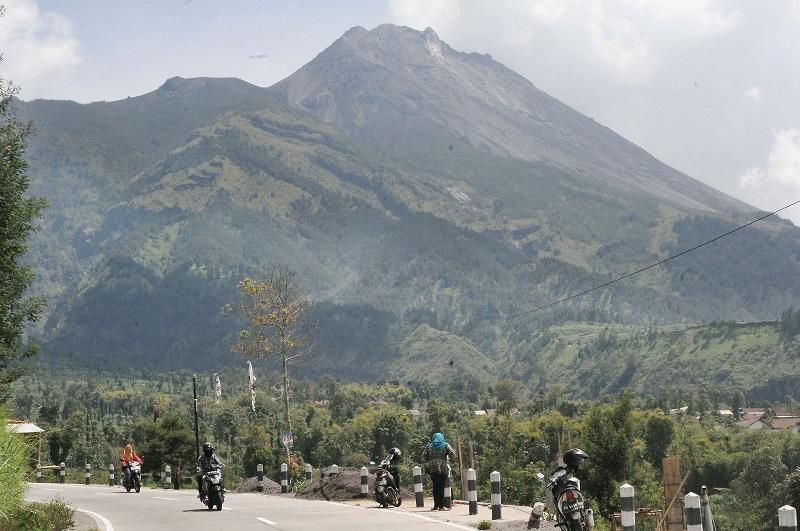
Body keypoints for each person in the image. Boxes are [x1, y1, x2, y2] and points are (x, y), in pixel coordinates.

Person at [421, 432, 456, 511]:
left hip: (432, 469)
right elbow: (452, 453)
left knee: (435, 487)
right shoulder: (445, 444)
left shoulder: (429, 446)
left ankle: (436, 506)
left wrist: (429, 461)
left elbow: (423, 456)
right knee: (441, 487)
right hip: (443, 468)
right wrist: (451, 460)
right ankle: (441, 506)